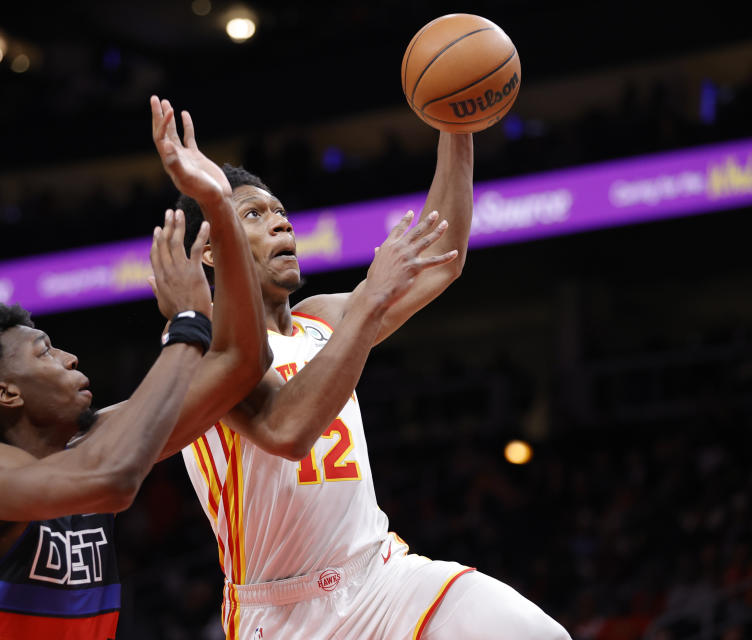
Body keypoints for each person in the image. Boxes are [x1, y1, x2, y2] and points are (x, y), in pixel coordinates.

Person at [174, 127, 572, 638]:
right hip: (279, 613)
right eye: (255, 215)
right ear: (212, 250)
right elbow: (289, 430)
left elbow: (443, 253)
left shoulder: (322, 319)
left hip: (381, 576)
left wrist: (456, 128)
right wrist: (369, 302)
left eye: (280, 213)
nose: (279, 224)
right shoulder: (205, 344)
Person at [0, 96, 270, 640]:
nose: (70, 357)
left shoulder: (93, 443)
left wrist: (220, 208)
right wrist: (187, 325)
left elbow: (242, 364)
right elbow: (112, 478)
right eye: (45, 350)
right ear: (5, 393)